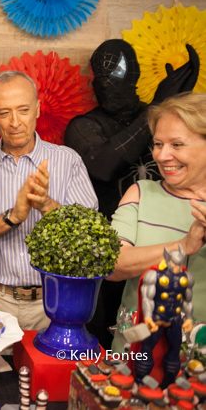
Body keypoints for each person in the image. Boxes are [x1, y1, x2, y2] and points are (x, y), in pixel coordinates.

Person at [64, 40, 200, 349]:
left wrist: (174, 107)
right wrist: (158, 107)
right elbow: (104, 165)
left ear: (135, 75)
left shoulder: (161, 125)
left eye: (118, 74)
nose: (109, 85)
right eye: (101, 79)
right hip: (109, 252)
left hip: (168, 237)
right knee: (110, 344)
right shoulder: (84, 126)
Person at [0, 70, 98, 331]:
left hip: (53, 303)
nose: (14, 122)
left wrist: (46, 205)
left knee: (48, 371)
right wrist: (13, 217)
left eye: (23, 110)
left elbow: (89, 237)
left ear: (37, 108)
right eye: (4, 113)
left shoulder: (68, 161)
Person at [108, 92, 206, 353]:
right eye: (158, 143)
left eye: (177, 145)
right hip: (133, 354)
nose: (161, 156)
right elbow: (112, 265)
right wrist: (182, 246)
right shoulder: (141, 193)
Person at [135, 245, 194, 386]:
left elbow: (188, 300)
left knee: (174, 351)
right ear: (167, 260)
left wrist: (189, 318)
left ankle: (168, 384)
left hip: (175, 319)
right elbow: (147, 298)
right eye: (174, 263)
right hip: (157, 319)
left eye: (179, 263)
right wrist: (148, 317)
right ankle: (139, 382)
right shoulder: (154, 275)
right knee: (146, 349)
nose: (177, 266)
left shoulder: (186, 278)